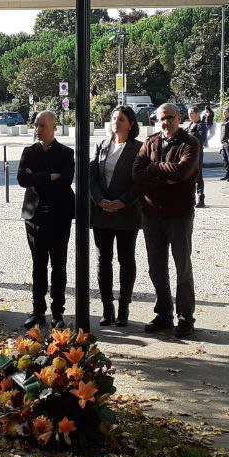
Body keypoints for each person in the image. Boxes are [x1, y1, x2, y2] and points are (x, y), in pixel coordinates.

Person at [132, 103, 201, 338]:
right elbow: (136, 174)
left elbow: (182, 173)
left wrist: (153, 169)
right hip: (151, 216)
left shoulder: (190, 143)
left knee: (182, 267)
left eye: (170, 118)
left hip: (179, 215)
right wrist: (163, 176)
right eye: (161, 118)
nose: (166, 122)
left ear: (178, 118)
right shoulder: (150, 142)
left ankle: (185, 317)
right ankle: (164, 314)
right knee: (156, 269)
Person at [17, 110, 75, 328]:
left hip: (59, 216)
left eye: (42, 125)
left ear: (54, 127)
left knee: (58, 265)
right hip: (34, 216)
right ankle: (37, 311)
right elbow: (22, 178)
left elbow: (65, 180)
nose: (38, 129)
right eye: (36, 125)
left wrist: (37, 178)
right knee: (38, 265)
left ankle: (57, 312)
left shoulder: (65, 153)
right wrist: (49, 176)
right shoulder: (29, 152)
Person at [90, 105, 142, 327]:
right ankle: (107, 307)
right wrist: (100, 200)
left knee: (126, 259)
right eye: (113, 118)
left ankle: (124, 307)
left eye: (121, 119)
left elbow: (140, 182)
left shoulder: (139, 148)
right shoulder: (101, 145)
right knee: (104, 260)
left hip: (126, 213)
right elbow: (91, 177)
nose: (116, 122)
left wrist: (123, 201)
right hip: (102, 212)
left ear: (130, 124)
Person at [186, 105, 208, 207]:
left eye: (191, 114)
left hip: (197, 154)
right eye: (189, 114)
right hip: (187, 154)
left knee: (198, 176)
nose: (189, 115)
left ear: (197, 114)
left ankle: (201, 199)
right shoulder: (189, 125)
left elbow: (200, 140)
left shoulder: (201, 125)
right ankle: (190, 198)